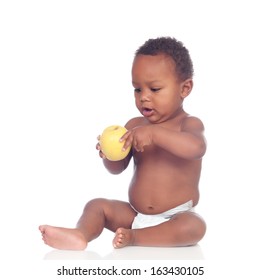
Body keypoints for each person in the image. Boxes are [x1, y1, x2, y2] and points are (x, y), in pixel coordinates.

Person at [39, 37, 207, 250]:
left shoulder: (188, 124)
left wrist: (155, 134)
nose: (144, 97)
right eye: (137, 89)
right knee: (97, 205)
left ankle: (135, 238)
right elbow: (117, 169)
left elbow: (196, 148)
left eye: (154, 89)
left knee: (194, 227)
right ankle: (80, 234)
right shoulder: (135, 126)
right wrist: (109, 155)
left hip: (176, 217)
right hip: (135, 215)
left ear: (185, 88)